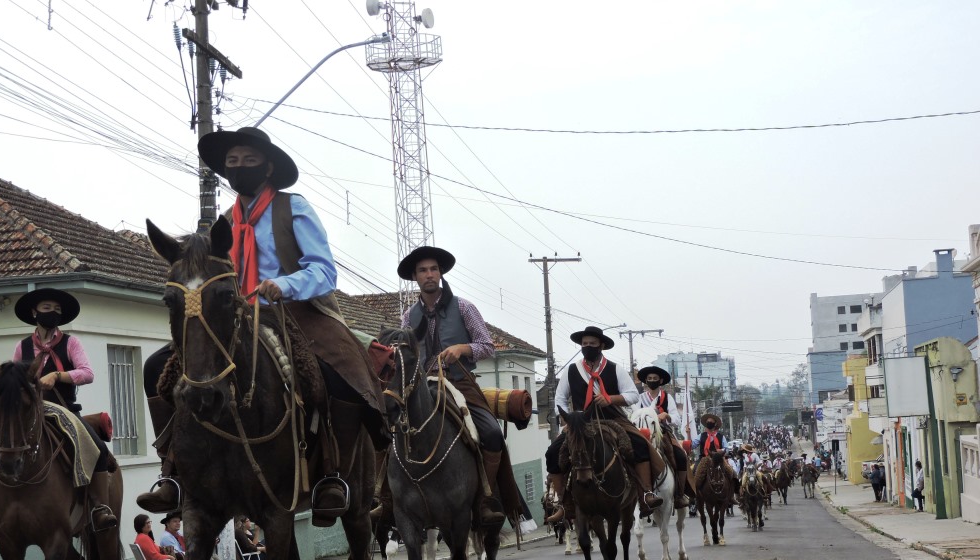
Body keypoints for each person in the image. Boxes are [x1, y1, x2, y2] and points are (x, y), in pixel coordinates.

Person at [137, 126, 389, 526]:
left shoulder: (295, 208)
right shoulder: (222, 222)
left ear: (268, 166)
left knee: (341, 373)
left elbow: (324, 270)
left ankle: (333, 474)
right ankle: (173, 474)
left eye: (248, 160)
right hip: (234, 316)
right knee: (158, 369)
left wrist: (283, 284)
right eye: (232, 163)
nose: (240, 168)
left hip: (296, 309)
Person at [0, 288, 117, 551]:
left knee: (97, 448)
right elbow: (13, 379)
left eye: (56, 309)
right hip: (28, 411)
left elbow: (87, 373)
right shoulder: (22, 346)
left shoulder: (71, 343)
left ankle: (99, 508)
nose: (52, 312)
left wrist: (58, 376)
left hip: (64, 408)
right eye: (47, 307)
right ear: (35, 313)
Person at [387, 245, 518, 527]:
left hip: (460, 383)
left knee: (493, 433)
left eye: (434, 269)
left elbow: (488, 347)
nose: (429, 274)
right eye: (423, 270)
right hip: (420, 387)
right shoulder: (409, 317)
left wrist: (462, 348)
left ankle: (485, 498)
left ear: (441, 272)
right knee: (389, 433)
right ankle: (388, 501)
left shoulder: (464, 307)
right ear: (415, 277)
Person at [546, 326, 664, 518]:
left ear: (601, 345)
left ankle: (646, 493)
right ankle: (562, 503)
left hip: (612, 418)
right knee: (553, 453)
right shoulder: (571, 370)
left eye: (592, 344)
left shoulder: (615, 368)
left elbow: (633, 395)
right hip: (580, 423)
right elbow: (559, 399)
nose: (588, 346)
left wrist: (611, 398)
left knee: (640, 444)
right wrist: (566, 419)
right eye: (585, 344)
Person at [635, 365, 693, 508]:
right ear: (645, 381)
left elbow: (677, 420)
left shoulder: (668, 398)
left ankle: (679, 494)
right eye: (649, 378)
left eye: (655, 378)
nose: (652, 380)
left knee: (680, 456)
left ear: (660, 381)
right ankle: (633, 495)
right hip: (643, 434)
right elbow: (634, 416)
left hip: (663, 433)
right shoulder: (640, 398)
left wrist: (667, 415)